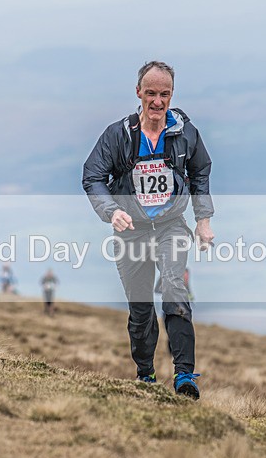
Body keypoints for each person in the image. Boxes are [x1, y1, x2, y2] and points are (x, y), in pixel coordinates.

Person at [82, 61, 215, 399]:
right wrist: (111, 213)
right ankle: (146, 374)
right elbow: (92, 177)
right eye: (151, 93)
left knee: (174, 289)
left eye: (165, 94)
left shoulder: (185, 133)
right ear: (138, 92)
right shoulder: (119, 135)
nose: (158, 102)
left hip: (171, 225)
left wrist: (203, 219)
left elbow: (200, 171)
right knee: (140, 309)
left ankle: (185, 377)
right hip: (131, 231)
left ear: (172, 95)